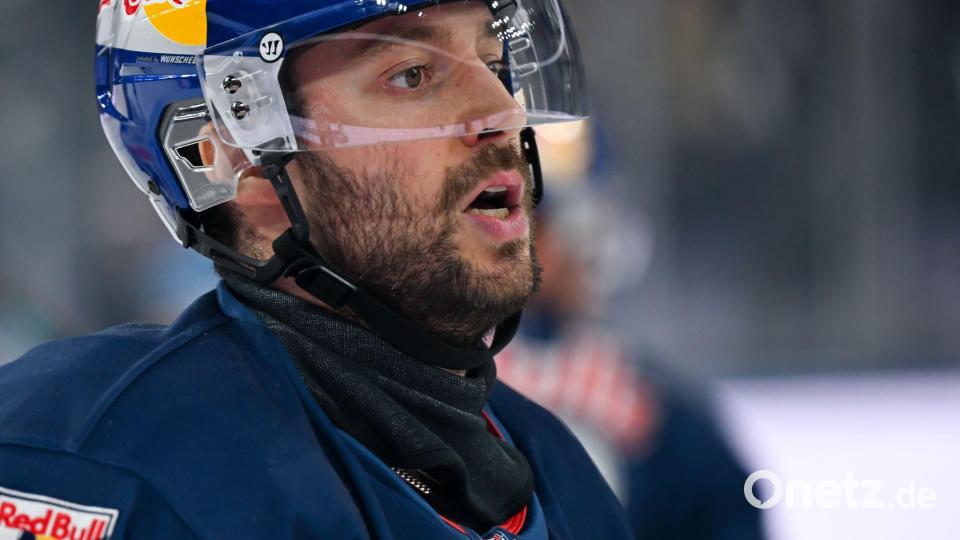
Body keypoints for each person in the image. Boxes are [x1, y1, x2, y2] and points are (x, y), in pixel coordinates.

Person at [0, 0, 632, 539]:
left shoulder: (559, 473)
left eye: (493, 64)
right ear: (240, 161)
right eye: (411, 75)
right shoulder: (109, 461)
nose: (504, 112)